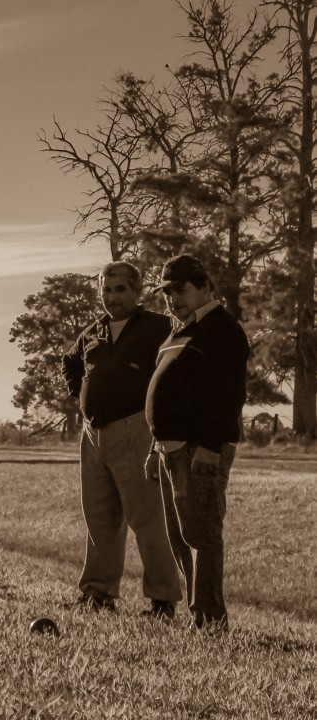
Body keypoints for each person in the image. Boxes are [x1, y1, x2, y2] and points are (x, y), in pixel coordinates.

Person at [61, 261, 184, 617]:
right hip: (93, 432)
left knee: (147, 520)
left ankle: (163, 601)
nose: (112, 297)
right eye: (106, 289)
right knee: (99, 519)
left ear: (137, 291)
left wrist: (160, 418)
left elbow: (178, 373)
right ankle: (98, 594)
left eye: (119, 289)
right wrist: (82, 396)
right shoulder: (93, 331)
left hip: (136, 431)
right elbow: (69, 363)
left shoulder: (159, 328)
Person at [145, 254, 249, 631]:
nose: (173, 298)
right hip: (168, 450)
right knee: (180, 537)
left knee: (202, 534)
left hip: (200, 449)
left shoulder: (222, 329)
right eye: (167, 292)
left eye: (181, 290)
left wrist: (211, 445)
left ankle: (209, 617)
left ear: (205, 286)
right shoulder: (179, 331)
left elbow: (229, 395)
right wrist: (152, 449)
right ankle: (199, 613)